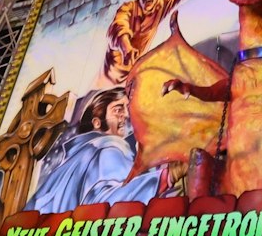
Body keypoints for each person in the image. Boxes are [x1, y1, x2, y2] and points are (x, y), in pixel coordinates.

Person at [24, 89, 162, 214]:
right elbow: (107, 203)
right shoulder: (109, 147)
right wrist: (164, 177)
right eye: (118, 110)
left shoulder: (76, 157)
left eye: (127, 109)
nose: (125, 115)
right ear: (97, 122)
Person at [102, 0, 200, 84]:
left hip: (133, 77)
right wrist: (126, 48)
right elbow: (119, 26)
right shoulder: (128, 8)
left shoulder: (161, 6)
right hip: (111, 77)